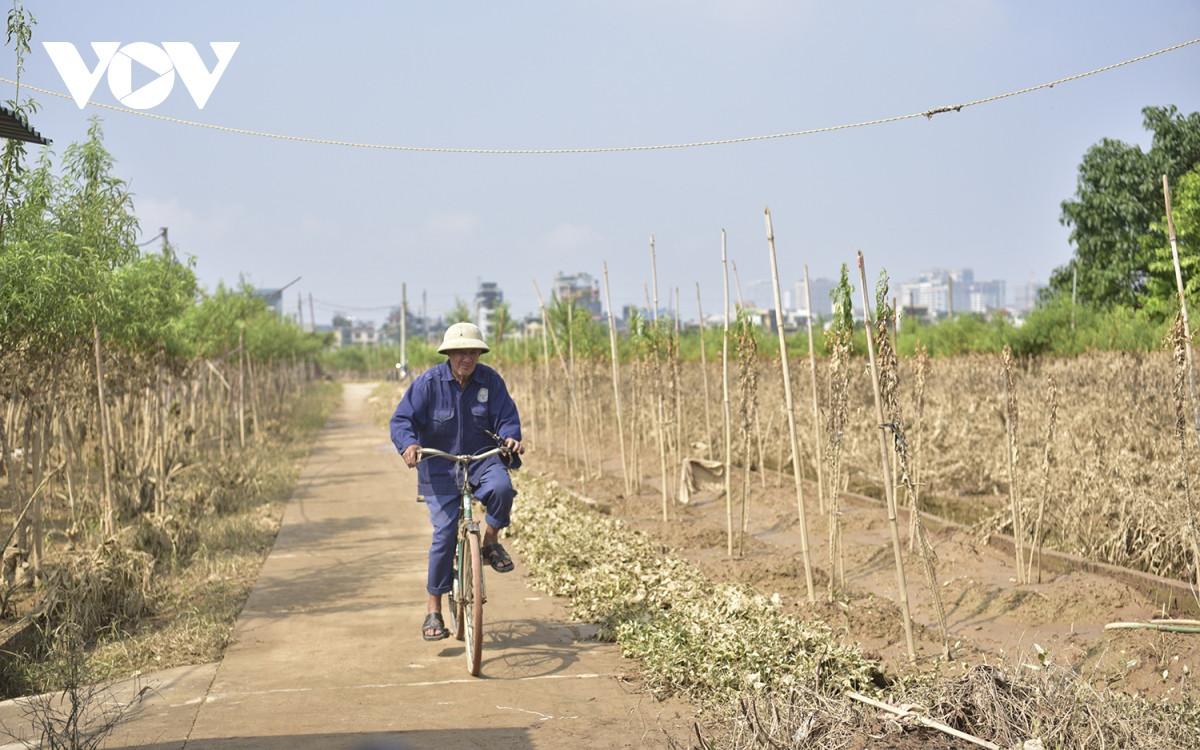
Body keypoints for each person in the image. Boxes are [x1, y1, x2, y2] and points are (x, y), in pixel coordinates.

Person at [390, 322, 525, 641]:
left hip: (481, 460)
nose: (467, 357)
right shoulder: (428, 383)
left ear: (480, 352)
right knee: (445, 534)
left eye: (473, 351)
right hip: (440, 466)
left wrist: (510, 438)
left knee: (503, 489)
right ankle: (433, 608)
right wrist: (408, 444)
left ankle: (490, 542)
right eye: (460, 351)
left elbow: (507, 418)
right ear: (448, 353)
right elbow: (402, 419)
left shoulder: (490, 381)